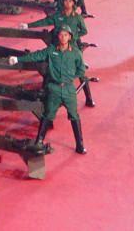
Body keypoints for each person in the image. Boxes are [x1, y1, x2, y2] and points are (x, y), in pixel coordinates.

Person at [8, 24, 87, 154]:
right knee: (48, 114)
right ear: (58, 36)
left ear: (69, 37)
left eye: (65, 35)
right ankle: (39, 140)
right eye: (61, 34)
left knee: (74, 115)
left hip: (68, 89)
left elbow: (81, 69)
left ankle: (80, 144)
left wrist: (70, 78)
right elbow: (36, 56)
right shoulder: (51, 51)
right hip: (53, 88)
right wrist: (18, 59)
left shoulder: (75, 53)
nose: (63, 37)